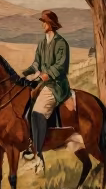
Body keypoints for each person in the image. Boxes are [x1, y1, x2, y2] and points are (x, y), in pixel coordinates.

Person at [21, 9, 73, 162]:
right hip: (42, 83)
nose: (42, 24)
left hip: (56, 84)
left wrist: (47, 73)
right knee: (26, 108)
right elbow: (36, 63)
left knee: (38, 112)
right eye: (42, 21)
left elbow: (61, 66)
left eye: (44, 21)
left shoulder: (61, 43)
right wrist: (24, 73)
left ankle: (38, 152)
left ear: (52, 24)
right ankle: (30, 141)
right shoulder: (42, 43)